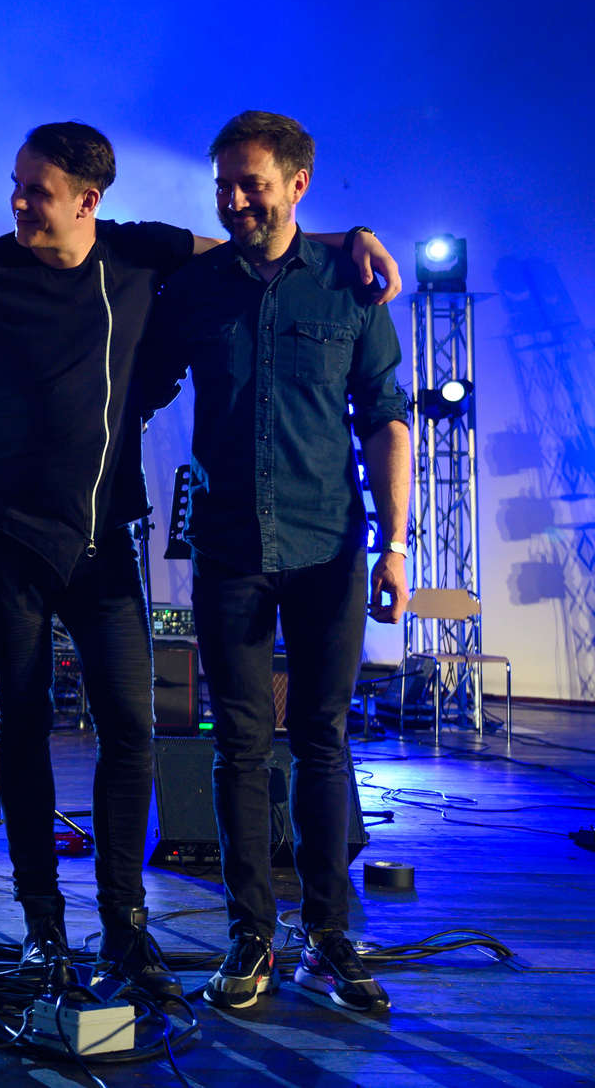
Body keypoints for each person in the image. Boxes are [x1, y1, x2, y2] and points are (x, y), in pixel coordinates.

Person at [0, 122, 400, 995]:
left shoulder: (141, 254)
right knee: (22, 727)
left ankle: (124, 927)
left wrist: (349, 237)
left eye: (36, 190)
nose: (18, 202)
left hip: (107, 541)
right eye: (16, 185)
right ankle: (43, 930)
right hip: (5, 537)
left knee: (130, 732)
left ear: (88, 200)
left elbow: (253, 242)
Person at [138, 111, 411, 1014]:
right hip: (229, 551)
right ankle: (251, 937)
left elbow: (385, 416)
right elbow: (137, 388)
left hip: (329, 548)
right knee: (239, 748)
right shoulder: (196, 288)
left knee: (324, 741)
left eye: (251, 183)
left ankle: (329, 938)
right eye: (223, 184)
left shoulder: (350, 285)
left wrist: (396, 544)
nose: (234, 200)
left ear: (298, 184)